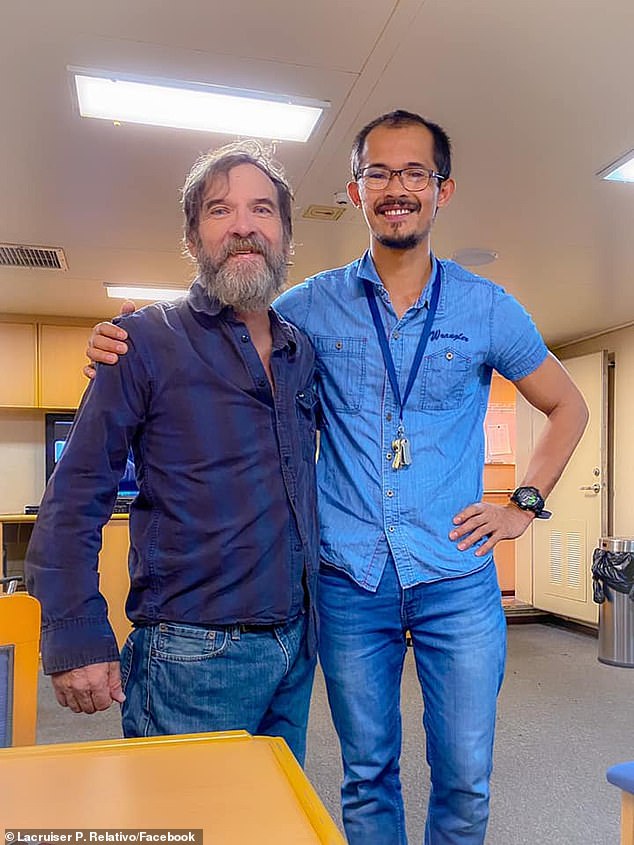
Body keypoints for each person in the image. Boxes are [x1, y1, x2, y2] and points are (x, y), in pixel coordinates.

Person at [86, 111, 588, 844]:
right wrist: (124, 342)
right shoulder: (309, 306)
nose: (396, 187)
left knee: (466, 778)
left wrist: (523, 504)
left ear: (442, 190)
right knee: (367, 774)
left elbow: (567, 404)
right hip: (350, 579)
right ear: (355, 191)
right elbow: (223, 329)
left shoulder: (486, 307)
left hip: (457, 574)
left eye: (414, 172)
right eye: (378, 172)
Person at [25, 141, 319, 765]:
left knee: (268, 825)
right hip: (191, 654)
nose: (243, 225)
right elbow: (74, 496)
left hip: (294, 642)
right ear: (193, 238)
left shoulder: (302, 353)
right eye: (220, 210)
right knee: (190, 827)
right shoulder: (143, 341)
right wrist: (75, 633)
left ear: (287, 237)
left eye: (262, 210)